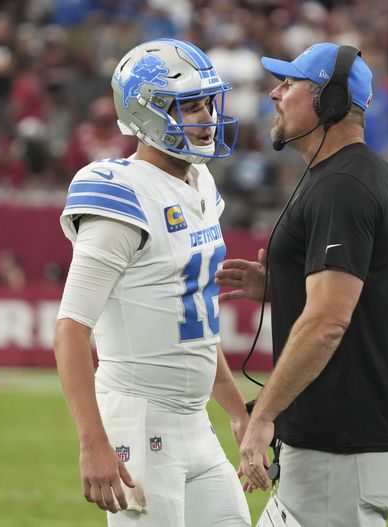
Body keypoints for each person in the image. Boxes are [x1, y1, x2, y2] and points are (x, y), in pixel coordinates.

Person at [215, 43, 388, 526]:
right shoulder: (353, 177)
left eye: (290, 83)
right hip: (336, 450)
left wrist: (262, 415)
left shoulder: (343, 187)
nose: (274, 93)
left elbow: (328, 320)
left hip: (338, 452)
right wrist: (282, 283)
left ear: (329, 100)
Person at [52, 39, 250, 527]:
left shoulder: (200, 183)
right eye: (189, 107)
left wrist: (236, 410)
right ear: (148, 114)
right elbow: (71, 329)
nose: (205, 116)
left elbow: (194, 324)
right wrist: (93, 441)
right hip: (138, 422)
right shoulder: (122, 197)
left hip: (194, 420)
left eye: (207, 103)